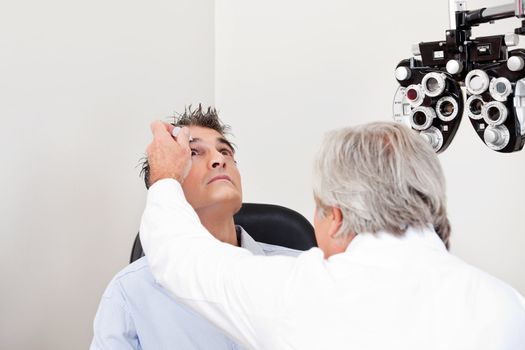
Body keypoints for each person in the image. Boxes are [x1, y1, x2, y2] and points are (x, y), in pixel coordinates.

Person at [141, 120, 525, 350]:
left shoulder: (301, 291)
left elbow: (179, 255)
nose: (218, 159)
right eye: (197, 152)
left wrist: (164, 177)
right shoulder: (506, 304)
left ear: (337, 218)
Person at [90, 106, 300, 350]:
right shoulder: (129, 292)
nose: (219, 159)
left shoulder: (300, 270)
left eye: (225, 151)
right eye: (194, 152)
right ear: (168, 179)